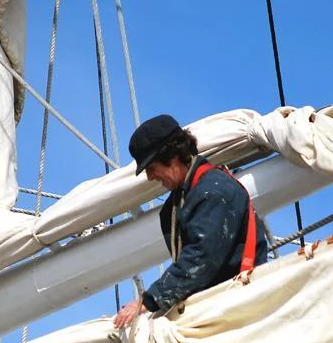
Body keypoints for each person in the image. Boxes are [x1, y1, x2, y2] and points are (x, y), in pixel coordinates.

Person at [113, 114, 269, 329]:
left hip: (238, 311)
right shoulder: (186, 197)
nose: (150, 177)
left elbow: (201, 258)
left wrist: (149, 301)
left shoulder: (212, 191)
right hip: (220, 308)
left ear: (172, 156)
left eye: (151, 168)